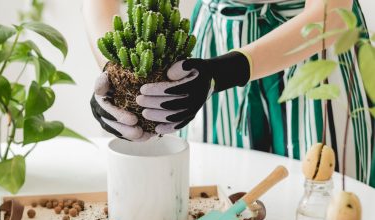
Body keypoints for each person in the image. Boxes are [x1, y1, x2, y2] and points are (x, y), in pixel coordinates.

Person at [83, 0, 374, 187]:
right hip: (215, 38)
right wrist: (114, 73)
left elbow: (332, 14)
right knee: (219, 195)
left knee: (321, 201)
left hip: (312, 46)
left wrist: (226, 71)